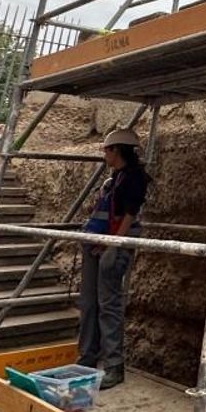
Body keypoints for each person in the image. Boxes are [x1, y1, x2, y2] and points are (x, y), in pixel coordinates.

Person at [77, 126, 150, 390]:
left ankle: (113, 366)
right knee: (89, 303)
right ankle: (86, 359)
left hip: (111, 246)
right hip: (96, 244)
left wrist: (114, 245)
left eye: (107, 150)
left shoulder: (134, 178)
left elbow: (129, 213)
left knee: (108, 305)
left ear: (116, 150)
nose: (104, 154)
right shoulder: (114, 179)